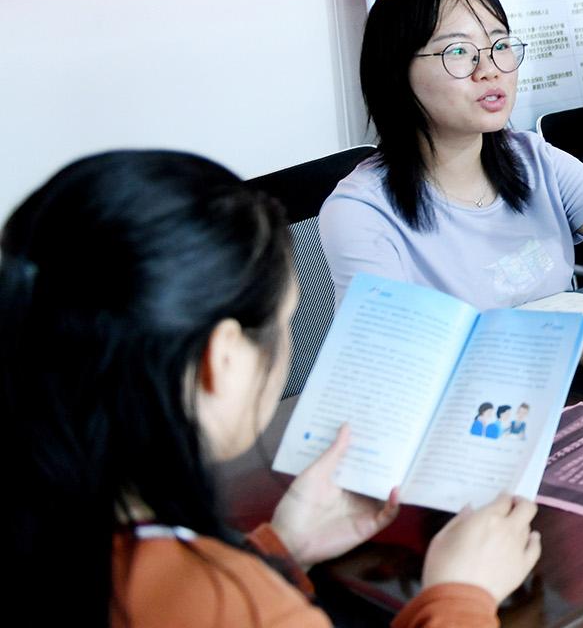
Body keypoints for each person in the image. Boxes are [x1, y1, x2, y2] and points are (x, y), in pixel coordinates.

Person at [0, 150, 539, 627]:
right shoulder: (234, 603)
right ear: (221, 360)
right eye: (286, 322)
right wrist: (459, 596)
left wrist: (278, 552)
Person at [321, 0, 583, 365]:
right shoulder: (362, 210)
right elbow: (392, 364)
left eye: (499, 45)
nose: (489, 69)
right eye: (458, 51)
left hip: (567, 385)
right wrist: (570, 345)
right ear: (396, 71)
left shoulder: (532, 158)